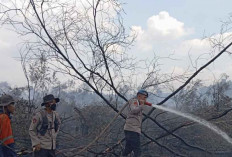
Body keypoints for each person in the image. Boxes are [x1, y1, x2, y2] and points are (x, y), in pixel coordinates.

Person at [122, 89, 152, 157]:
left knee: (128, 148)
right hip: (132, 129)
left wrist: (141, 105)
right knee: (137, 150)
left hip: (133, 129)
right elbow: (134, 110)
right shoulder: (134, 101)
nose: (145, 100)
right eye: (144, 98)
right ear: (139, 96)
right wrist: (141, 105)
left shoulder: (138, 103)